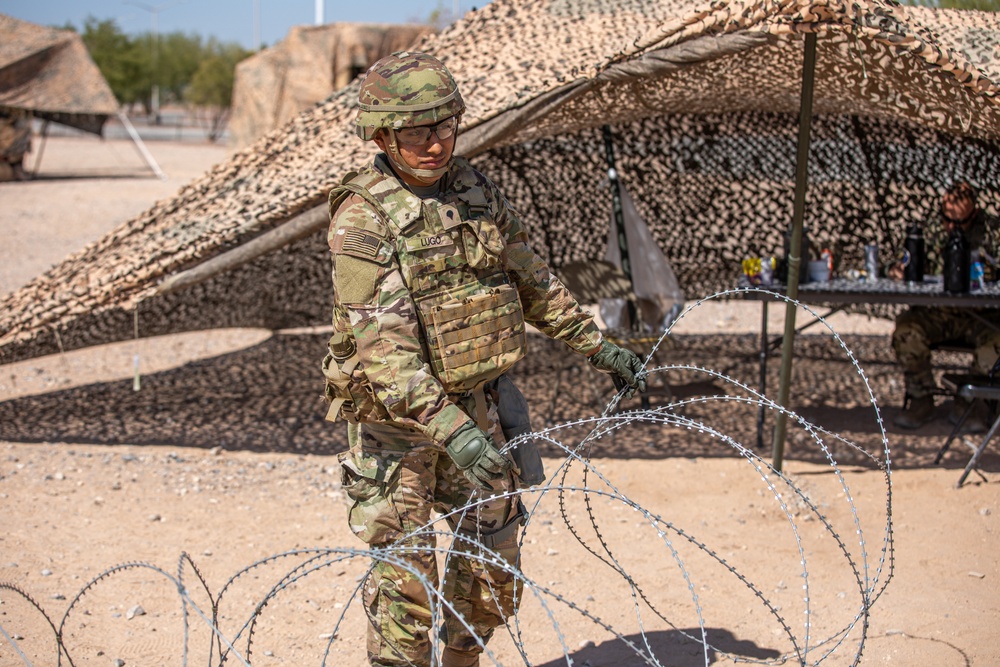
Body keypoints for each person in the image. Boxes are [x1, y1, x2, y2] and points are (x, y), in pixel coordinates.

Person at [322, 51, 646, 667]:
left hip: (477, 404)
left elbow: (529, 277)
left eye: (445, 126)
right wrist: (454, 433)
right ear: (383, 135)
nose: (435, 143)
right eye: (417, 131)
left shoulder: (473, 189)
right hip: (400, 429)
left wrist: (596, 345)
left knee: (493, 566)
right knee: (405, 589)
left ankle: (463, 660)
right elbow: (385, 353)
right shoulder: (363, 217)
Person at [890, 180, 1000, 430]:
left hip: (983, 316)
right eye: (947, 219)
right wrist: (898, 270)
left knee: (995, 348)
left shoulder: (992, 233)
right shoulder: (930, 230)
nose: (952, 227)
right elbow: (900, 259)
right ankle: (921, 398)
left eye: (960, 222)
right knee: (907, 333)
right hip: (938, 314)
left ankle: (973, 402)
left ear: (975, 214)